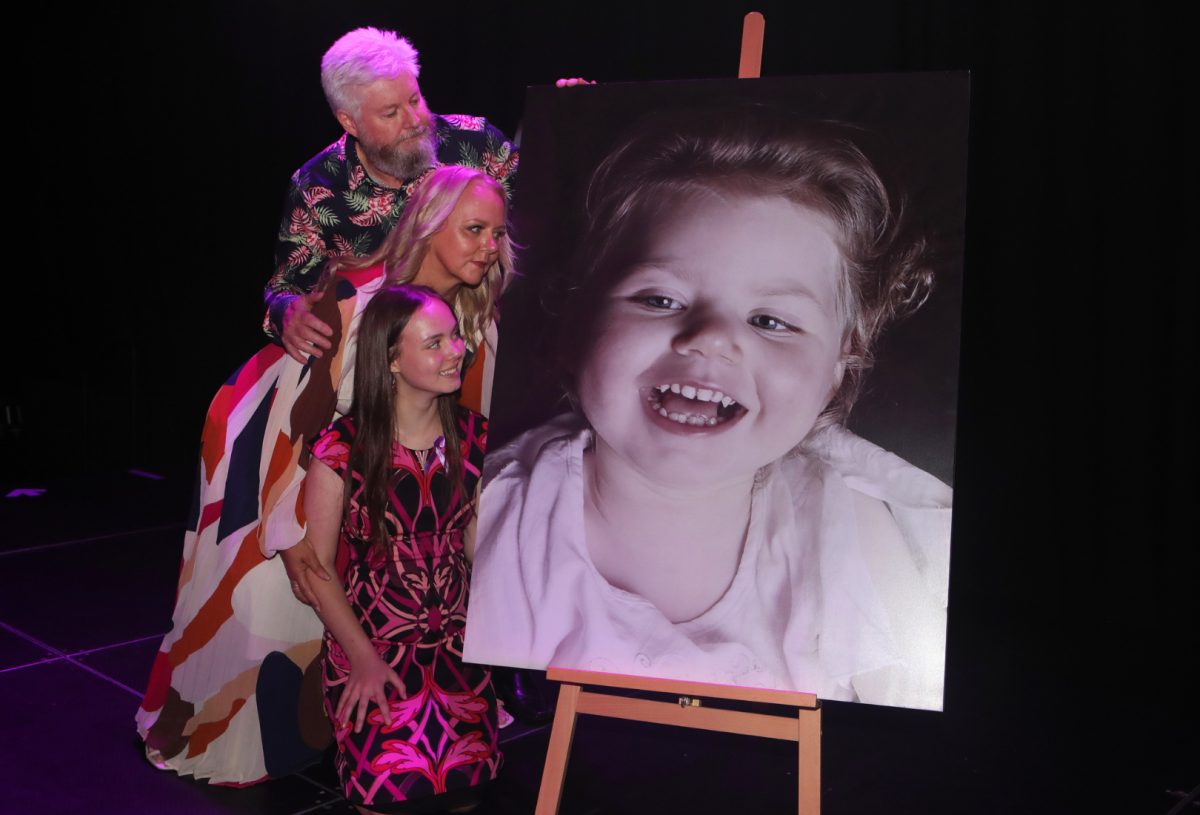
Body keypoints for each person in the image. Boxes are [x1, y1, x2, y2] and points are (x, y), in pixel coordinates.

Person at [464, 109, 953, 711]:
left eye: (771, 321)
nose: (711, 337)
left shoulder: (855, 538)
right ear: (575, 325)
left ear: (837, 373)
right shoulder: (494, 520)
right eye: (659, 297)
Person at [138, 166, 512, 784]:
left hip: (379, 486)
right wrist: (296, 543)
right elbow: (292, 428)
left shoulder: (474, 317)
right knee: (278, 597)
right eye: (474, 230)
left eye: (497, 234)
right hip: (285, 450)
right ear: (430, 224)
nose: (488, 248)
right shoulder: (354, 303)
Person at [303, 284, 497, 813]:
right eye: (435, 342)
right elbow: (317, 570)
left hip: (456, 652)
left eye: (456, 337)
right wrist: (362, 658)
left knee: (465, 794)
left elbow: (479, 547)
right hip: (372, 647)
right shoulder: (340, 448)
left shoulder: (477, 437)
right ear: (391, 358)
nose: (456, 350)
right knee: (385, 796)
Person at [266, 26, 518, 365]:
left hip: (493, 358)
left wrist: (576, 118)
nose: (414, 120)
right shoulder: (316, 187)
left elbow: (554, 203)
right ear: (349, 122)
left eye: (414, 100)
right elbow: (286, 288)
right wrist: (286, 313)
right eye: (390, 113)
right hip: (386, 379)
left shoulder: (475, 143)